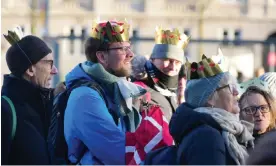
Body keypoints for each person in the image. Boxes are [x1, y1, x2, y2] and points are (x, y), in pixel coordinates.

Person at [63, 20, 146, 165]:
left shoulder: (116, 88)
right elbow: (120, 154)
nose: (131, 54)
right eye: (123, 49)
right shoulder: (86, 97)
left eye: (130, 47)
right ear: (102, 57)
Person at [169, 54, 254, 165]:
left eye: (236, 87)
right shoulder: (207, 137)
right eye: (231, 87)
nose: (236, 92)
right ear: (210, 98)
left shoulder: (220, 129)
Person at [1, 27, 58, 164]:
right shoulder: (5, 111)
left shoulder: (46, 106)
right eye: (49, 63)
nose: (54, 71)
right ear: (30, 69)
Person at [131, 27, 190, 121]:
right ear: (153, 60)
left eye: (178, 62)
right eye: (168, 60)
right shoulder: (138, 91)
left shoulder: (175, 95)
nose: (173, 67)